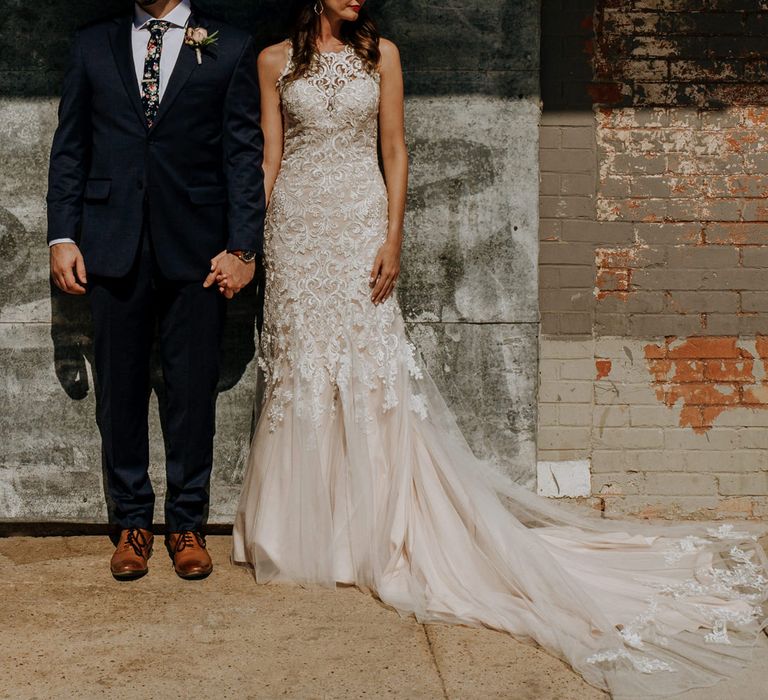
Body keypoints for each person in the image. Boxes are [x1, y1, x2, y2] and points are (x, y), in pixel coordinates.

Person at [224, 0, 768, 696]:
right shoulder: (274, 61)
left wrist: (392, 240)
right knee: (301, 371)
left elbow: (394, 150)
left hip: (360, 221)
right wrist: (249, 244)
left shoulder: (381, 55)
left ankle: (372, 532)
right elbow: (270, 158)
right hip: (297, 229)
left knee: (371, 371)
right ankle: (305, 532)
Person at [47, 0, 265, 581]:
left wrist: (244, 247)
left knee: (192, 390)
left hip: (197, 248)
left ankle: (187, 523)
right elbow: (70, 146)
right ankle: (132, 525)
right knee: (118, 392)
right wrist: (62, 235)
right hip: (110, 245)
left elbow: (244, 154)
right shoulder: (93, 43)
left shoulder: (229, 43)